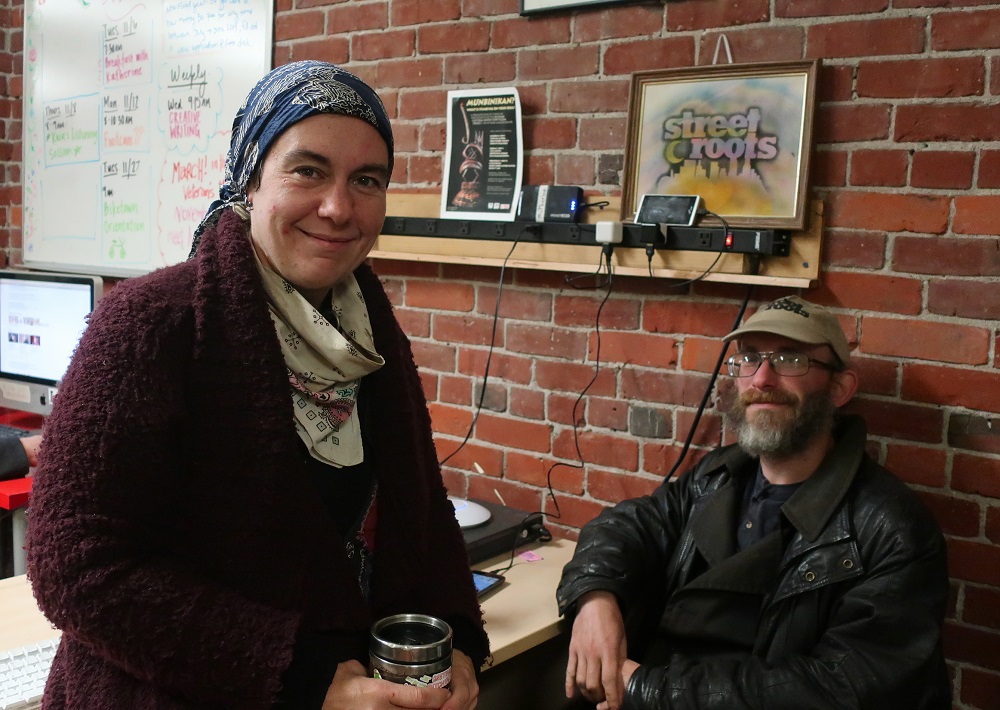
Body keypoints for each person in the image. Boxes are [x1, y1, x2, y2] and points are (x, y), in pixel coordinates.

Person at [26, 61, 487, 710]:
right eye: (308, 170)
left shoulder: (366, 335)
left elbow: (422, 511)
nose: (338, 206)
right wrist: (302, 675)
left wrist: (459, 632)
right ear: (249, 180)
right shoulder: (156, 324)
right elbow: (77, 568)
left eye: (367, 180)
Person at [557, 295, 950, 710]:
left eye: (790, 359)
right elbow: (627, 525)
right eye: (749, 358)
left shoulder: (892, 530)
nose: (762, 378)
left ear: (840, 388)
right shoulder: (717, 476)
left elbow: (837, 690)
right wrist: (595, 598)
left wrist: (643, 686)